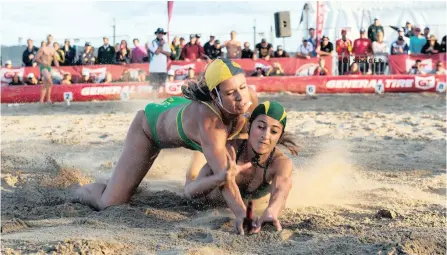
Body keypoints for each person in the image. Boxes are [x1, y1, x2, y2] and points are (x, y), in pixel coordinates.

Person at [76, 58, 259, 214]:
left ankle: (122, 179)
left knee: (227, 150)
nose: (241, 97)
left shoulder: (248, 98)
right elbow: (224, 176)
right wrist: (243, 215)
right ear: (214, 95)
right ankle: (82, 191)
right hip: (148, 129)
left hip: (181, 113)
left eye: (242, 87)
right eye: (230, 93)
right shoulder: (209, 123)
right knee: (110, 203)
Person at [184, 101, 298, 235]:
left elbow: (281, 189)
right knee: (192, 175)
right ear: (249, 126)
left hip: (237, 207)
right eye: (260, 127)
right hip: (205, 198)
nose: (266, 136)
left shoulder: (280, 162)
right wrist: (220, 178)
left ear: (279, 136)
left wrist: (272, 211)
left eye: (274, 131)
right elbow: (190, 192)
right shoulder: (230, 149)